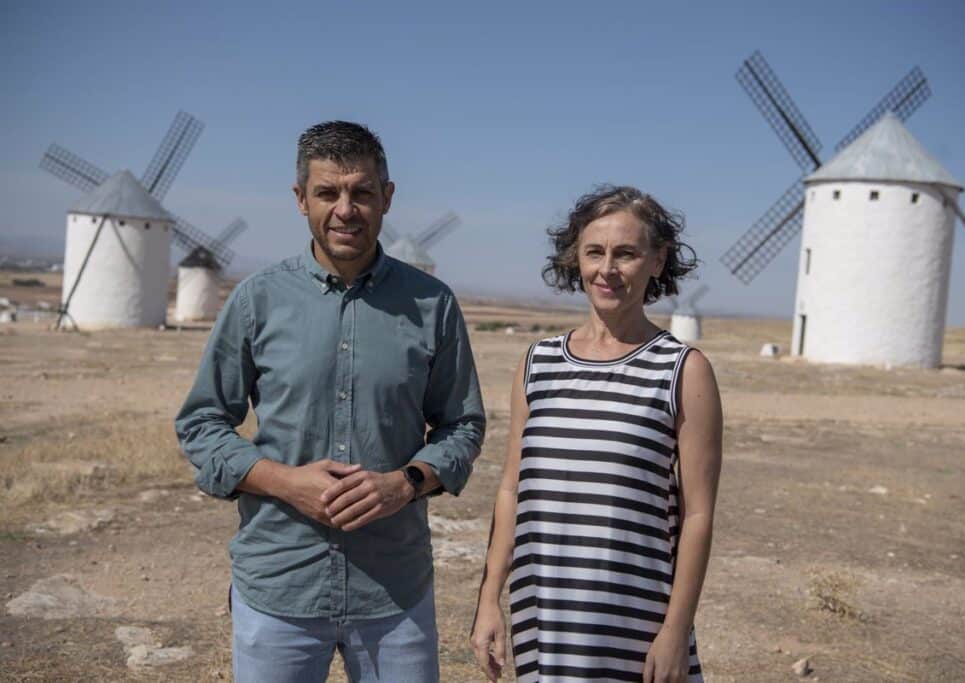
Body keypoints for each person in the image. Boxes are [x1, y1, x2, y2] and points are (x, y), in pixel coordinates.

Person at [175, 120, 486, 683]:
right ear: (300, 199)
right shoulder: (256, 300)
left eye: (362, 192)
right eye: (328, 192)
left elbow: (462, 426)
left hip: (394, 592)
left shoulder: (432, 305)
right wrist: (282, 480)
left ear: (386, 198)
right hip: (279, 585)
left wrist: (405, 483)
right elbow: (201, 424)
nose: (346, 209)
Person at [470, 186, 722, 682]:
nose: (607, 269)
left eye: (626, 253)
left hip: (635, 624)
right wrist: (489, 600)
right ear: (575, 259)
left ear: (657, 261)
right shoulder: (538, 363)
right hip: (544, 618)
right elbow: (510, 490)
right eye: (594, 252)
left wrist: (675, 630)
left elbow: (697, 515)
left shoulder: (682, 370)